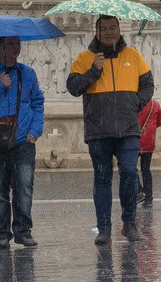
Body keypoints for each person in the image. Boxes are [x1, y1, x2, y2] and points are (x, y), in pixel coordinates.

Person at [66, 14, 155, 244]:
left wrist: (136, 102)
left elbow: (148, 84)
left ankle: (129, 223)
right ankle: (104, 227)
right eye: (104, 28)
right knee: (102, 179)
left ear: (119, 29)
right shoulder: (85, 57)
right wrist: (93, 71)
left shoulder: (133, 55)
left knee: (129, 173)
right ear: (96, 31)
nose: (109, 32)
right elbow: (73, 87)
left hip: (127, 129)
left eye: (113, 27)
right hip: (99, 130)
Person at [0, 36, 46, 248]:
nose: (15, 48)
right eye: (10, 44)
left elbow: (38, 102)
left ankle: (23, 230)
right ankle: (2, 233)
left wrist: (35, 130)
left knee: (24, 187)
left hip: (22, 141)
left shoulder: (27, 73)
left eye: (17, 44)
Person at [137, 98, 161, 207]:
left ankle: (139, 191)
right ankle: (149, 199)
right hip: (149, 142)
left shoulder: (135, 103)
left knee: (127, 168)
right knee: (146, 169)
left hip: (135, 140)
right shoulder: (155, 104)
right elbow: (160, 121)